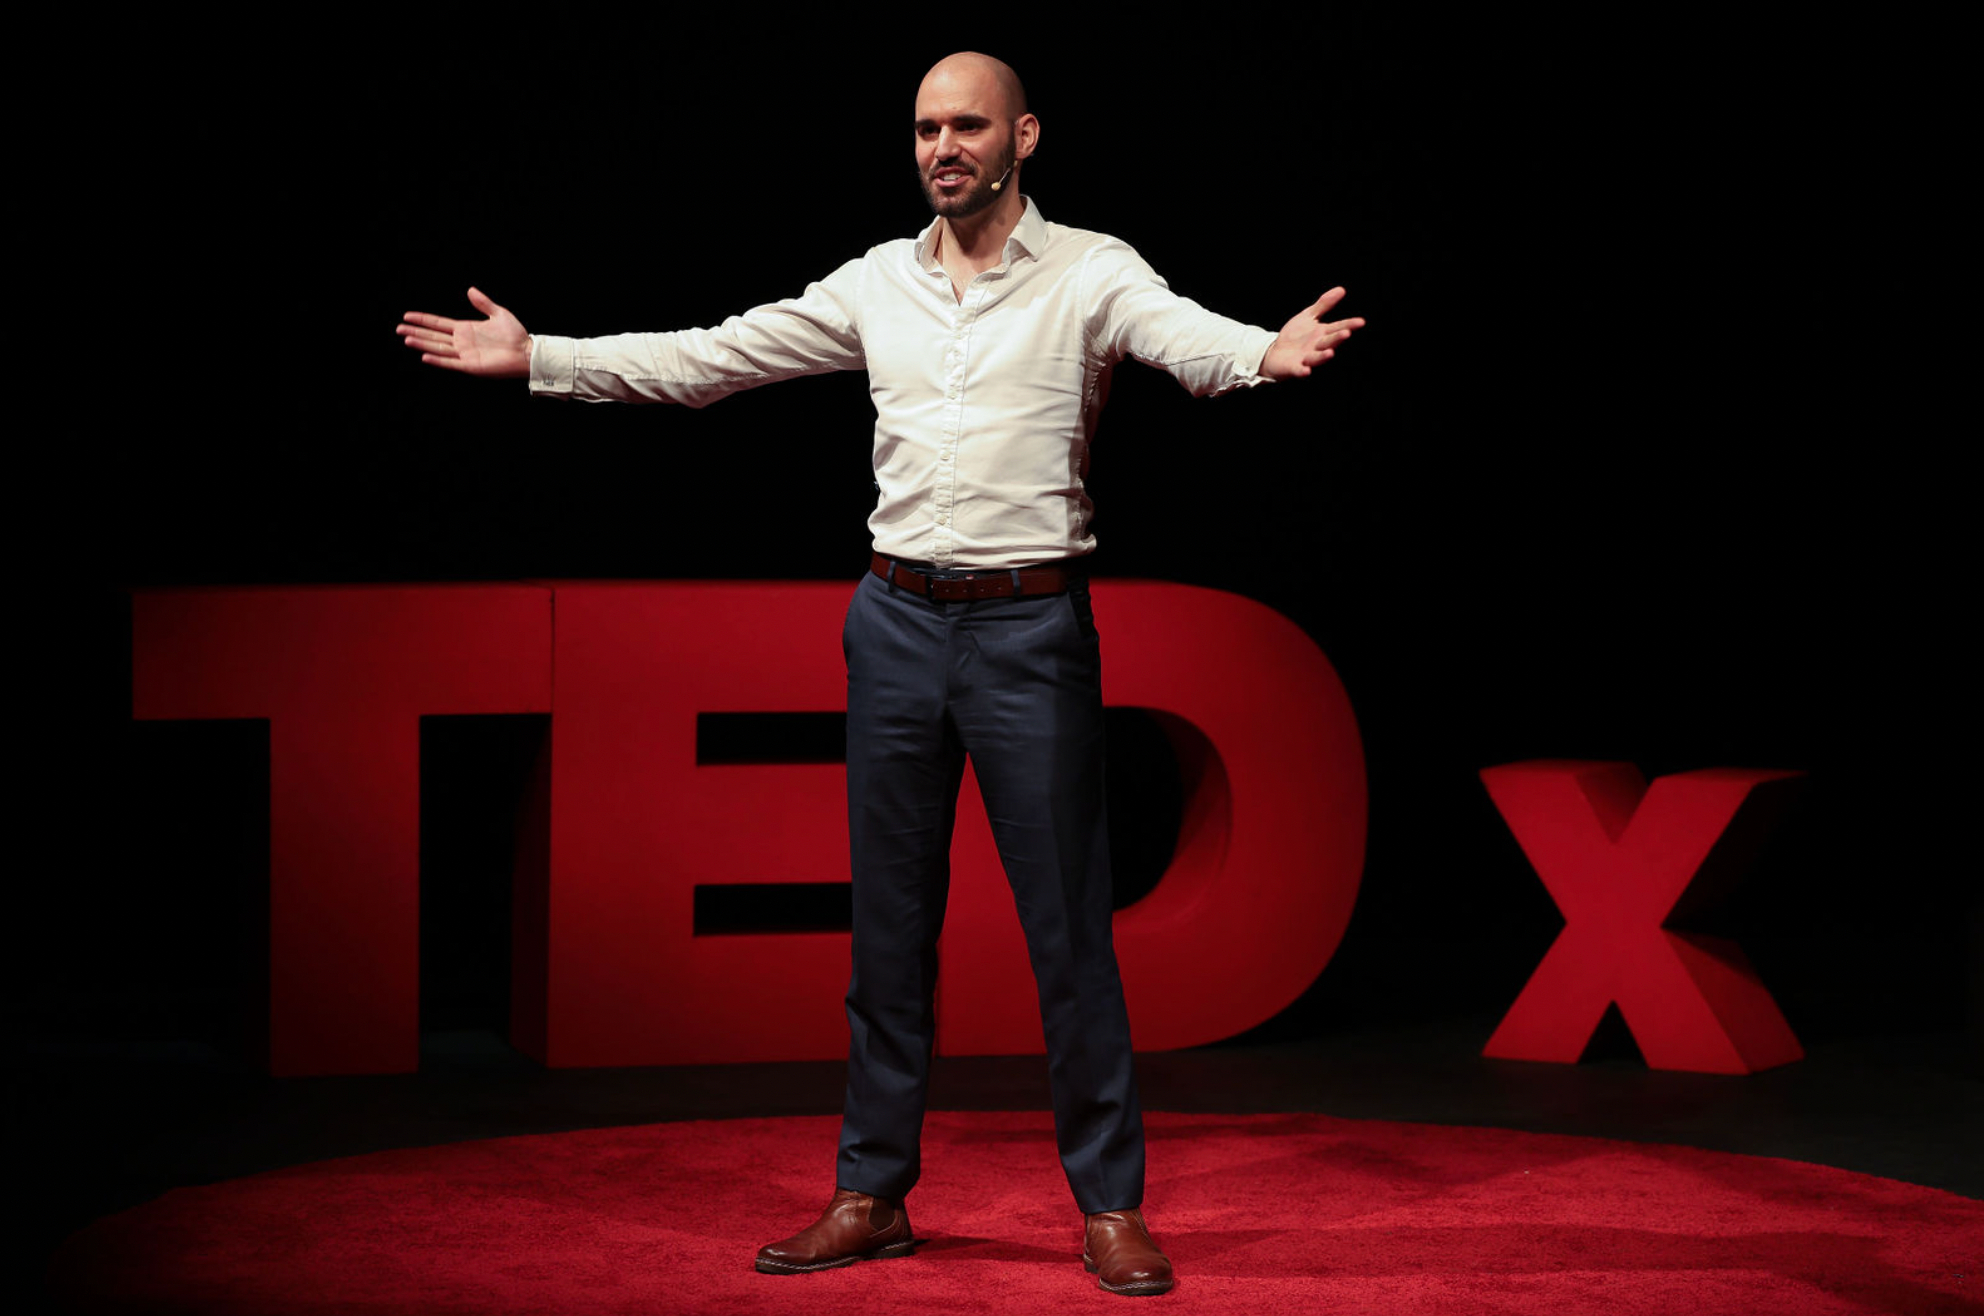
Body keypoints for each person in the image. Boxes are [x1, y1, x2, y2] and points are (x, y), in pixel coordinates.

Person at [397, 50, 1362, 1298]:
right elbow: (713, 358)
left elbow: (1179, 333)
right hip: (895, 622)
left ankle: (1110, 1202)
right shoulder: (875, 281)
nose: (940, 148)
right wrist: (542, 358)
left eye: (966, 126)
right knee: (888, 929)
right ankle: (872, 1191)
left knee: (1068, 929)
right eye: (923, 129)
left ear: (1023, 136)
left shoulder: (1089, 270)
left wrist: (1261, 352)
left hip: (1029, 629)